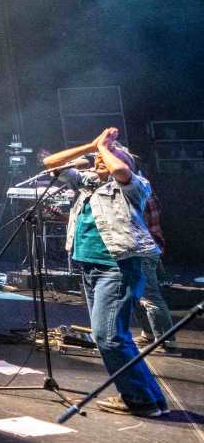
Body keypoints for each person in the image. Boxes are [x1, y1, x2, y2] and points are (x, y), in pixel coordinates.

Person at [41, 127, 168, 416]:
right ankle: (151, 398)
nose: (101, 159)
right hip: (90, 268)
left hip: (117, 268)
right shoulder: (88, 184)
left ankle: (140, 401)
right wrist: (92, 145)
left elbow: (120, 170)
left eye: (108, 155)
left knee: (108, 337)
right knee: (114, 337)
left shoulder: (135, 185)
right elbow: (50, 163)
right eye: (99, 156)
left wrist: (105, 149)